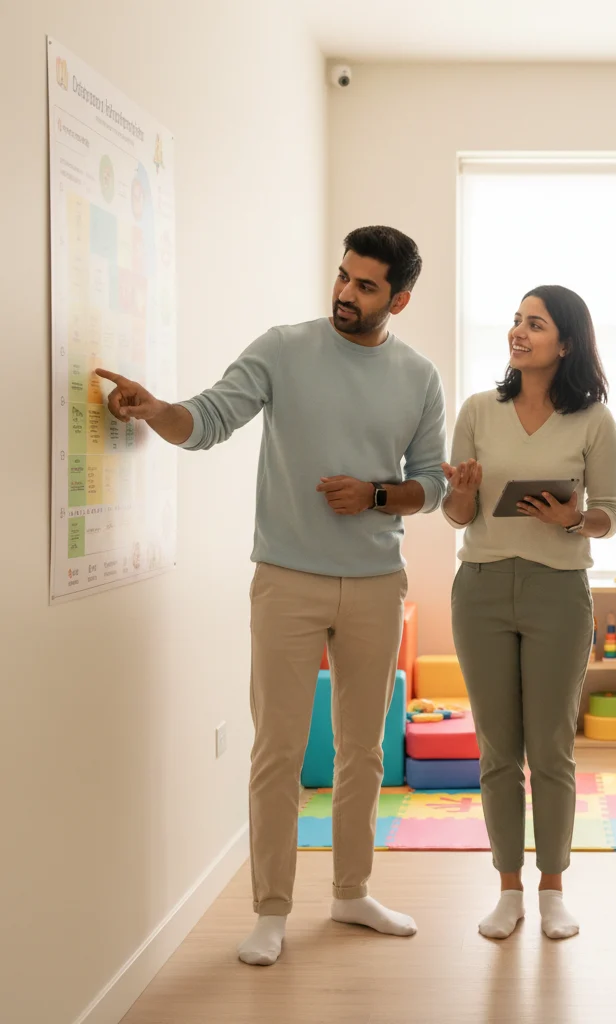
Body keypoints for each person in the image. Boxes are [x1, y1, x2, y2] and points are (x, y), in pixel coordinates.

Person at [96, 226, 446, 967]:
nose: (346, 293)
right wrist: (155, 408)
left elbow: (433, 484)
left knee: (363, 752)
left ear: (401, 298)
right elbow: (208, 420)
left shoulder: (418, 376)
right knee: (278, 751)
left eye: (367, 285)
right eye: (344, 278)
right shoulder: (284, 348)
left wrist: (376, 494)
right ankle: (271, 911)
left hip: (379, 583)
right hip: (286, 579)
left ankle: (351, 894)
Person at [442, 285, 616, 941]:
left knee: (549, 747)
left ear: (566, 342)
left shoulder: (595, 420)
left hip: (558, 589)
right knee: (497, 749)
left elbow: (610, 515)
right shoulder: (476, 411)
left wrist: (576, 517)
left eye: (535, 324)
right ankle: (507, 888)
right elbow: (458, 515)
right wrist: (460, 495)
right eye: (516, 321)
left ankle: (552, 890)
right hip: (482, 586)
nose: (519, 332)